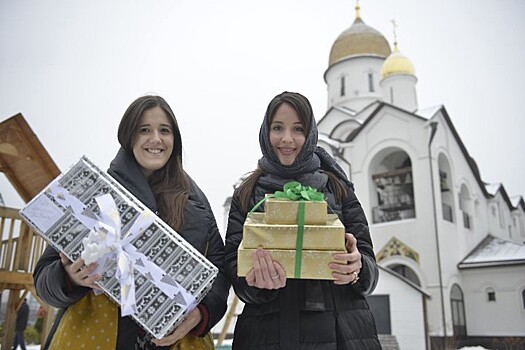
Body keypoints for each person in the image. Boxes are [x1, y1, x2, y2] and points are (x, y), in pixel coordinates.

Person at [33, 95, 229, 349]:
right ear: (128, 136)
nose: (155, 139)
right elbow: (43, 279)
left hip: (177, 341)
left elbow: (219, 273)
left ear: (175, 140)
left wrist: (201, 314)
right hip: (98, 335)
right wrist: (69, 276)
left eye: (165, 131)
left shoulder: (196, 202)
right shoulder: (94, 194)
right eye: (144, 130)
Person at [224, 91, 382, 349]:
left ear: (309, 135)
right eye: (278, 128)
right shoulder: (247, 193)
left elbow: (369, 264)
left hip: (342, 333)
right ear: (266, 132)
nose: (287, 139)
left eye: (298, 129)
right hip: (266, 337)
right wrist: (254, 283)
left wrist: (357, 268)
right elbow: (233, 262)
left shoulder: (337, 188)